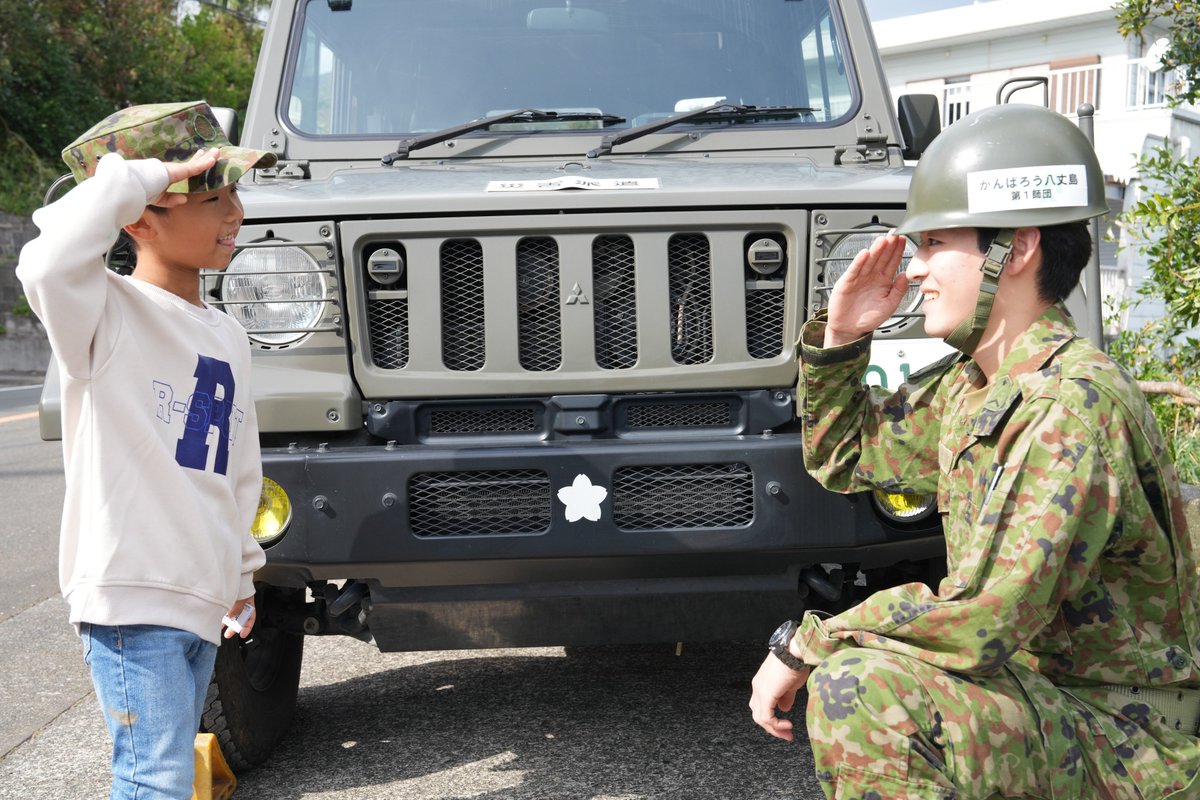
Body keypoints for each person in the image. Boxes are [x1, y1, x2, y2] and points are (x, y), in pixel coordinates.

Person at [749, 103, 1200, 799]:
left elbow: (985, 616)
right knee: (863, 676)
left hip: (1124, 736)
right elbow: (845, 453)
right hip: (1045, 701)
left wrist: (810, 641)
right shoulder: (981, 385)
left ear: (1014, 250)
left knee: (862, 691)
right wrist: (841, 340)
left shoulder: (1065, 404)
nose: (917, 268)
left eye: (934, 244)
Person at [17, 101, 277, 799]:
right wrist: (147, 172)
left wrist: (242, 573)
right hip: (131, 597)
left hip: (198, 594)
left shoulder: (225, 335)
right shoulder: (101, 312)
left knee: (168, 768)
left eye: (233, 194)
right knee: (155, 777)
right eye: (208, 197)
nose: (233, 214)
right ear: (138, 217)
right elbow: (46, 261)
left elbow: (235, 470)